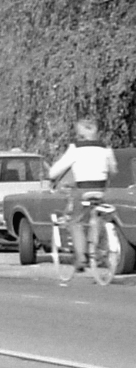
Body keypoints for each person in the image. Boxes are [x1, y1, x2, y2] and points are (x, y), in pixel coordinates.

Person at [48, 117, 116, 279]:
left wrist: (51, 176)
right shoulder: (105, 148)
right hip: (100, 189)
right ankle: (97, 248)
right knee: (99, 215)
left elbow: (56, 170)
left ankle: (81, 258)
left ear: (80, 134)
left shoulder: (75, 148)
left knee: (76, 222)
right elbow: (113, 169)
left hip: (82, 190)